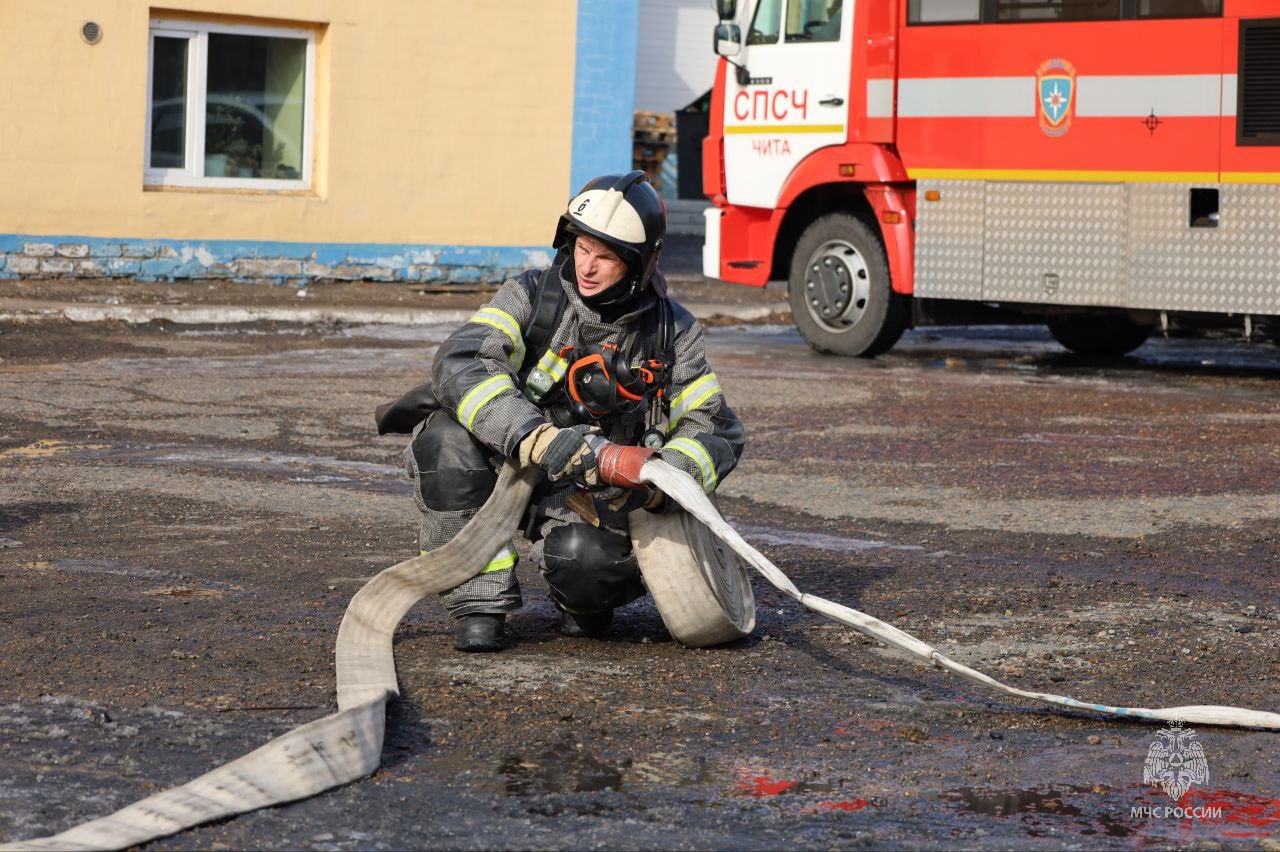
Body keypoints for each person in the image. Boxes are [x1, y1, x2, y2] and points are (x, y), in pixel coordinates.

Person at [402, 171, 744, 652]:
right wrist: (535, 437)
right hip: (512, 459)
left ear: (639, 265)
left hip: (595, 488)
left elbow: (715, 426)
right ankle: (478, 602)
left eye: (605, 257)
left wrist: (657, 483)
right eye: (582, 248)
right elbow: (463, 360)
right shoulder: (532, 296)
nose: (587, 267)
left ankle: (581, 603)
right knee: (446, 440)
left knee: (588, 568)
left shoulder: (673, 330)